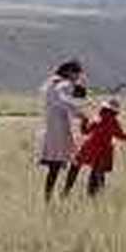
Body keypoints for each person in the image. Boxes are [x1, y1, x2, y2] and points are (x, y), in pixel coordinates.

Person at [72, 98, 126, 198]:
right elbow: (122, 136)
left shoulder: (98, 119)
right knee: (99, 176)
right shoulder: (113, 122)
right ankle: (95, 197)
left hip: (92, 148)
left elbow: (85, 131)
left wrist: (84, 120)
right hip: (104, 152)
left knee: (93, 174)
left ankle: (91, 197)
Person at [36, 59, 85, 200]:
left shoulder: (50, 83)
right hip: (60, 130)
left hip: (51, 128)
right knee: (77, 160)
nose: (77, 78)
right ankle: (65, 193)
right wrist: (80, 114)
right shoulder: (64, 84)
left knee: (54, 167)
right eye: (77, 74)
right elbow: (63, 100)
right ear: (70, 72)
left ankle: (48, 197)